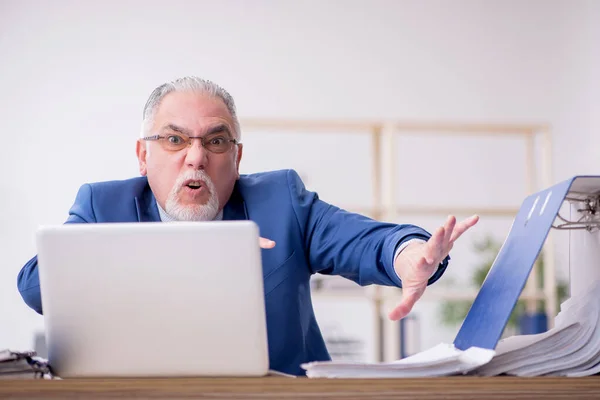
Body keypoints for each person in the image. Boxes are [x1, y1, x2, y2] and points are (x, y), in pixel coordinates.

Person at [17, 76, 479, 375]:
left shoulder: (279, 201)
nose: (196, 156)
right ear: (144, 155)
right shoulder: (102, 204)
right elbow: (37, 286)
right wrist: (177, 252)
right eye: (174, 139)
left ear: (236, 158)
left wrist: (409, 255)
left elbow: (364, 240)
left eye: (216, 141)